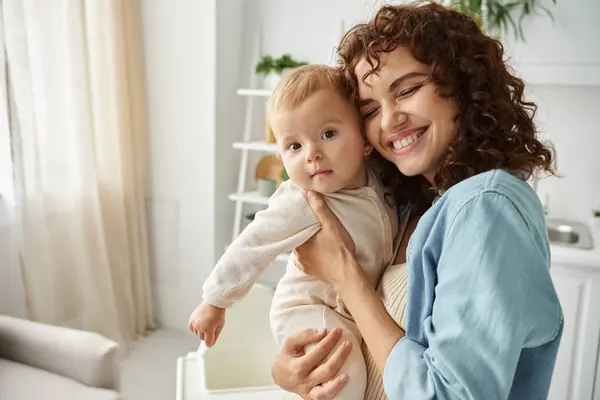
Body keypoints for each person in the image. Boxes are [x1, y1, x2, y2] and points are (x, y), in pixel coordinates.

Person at [270, 3, 563, 400]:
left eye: (407, 89)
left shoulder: (487, 208)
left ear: (460, 83)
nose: (389, 121)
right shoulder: (409, 207)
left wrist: (344, 274)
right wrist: (293, 371)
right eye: (370, 109)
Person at [188, 64, 403, 399]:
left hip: (348, 307)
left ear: (364, 139)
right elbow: (253, 243)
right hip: (310, 308)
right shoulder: (304, 200)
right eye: (293, 146)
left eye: (328, 134)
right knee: (345, 378)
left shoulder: (380, 179)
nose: (312, 154)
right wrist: (214, 301)